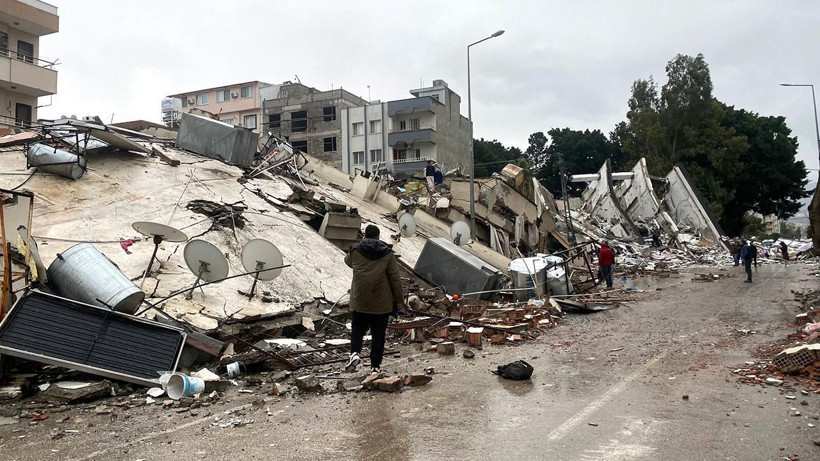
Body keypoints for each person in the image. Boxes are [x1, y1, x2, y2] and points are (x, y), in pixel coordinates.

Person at [344, 225, 403, 377]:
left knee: (357, 328)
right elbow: (395, 279)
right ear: (378, 236)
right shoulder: (387, 254)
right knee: (378, 334)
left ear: (364, 235)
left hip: (360, 300)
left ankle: (355, 353)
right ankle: (375, 367)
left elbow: (347, 262)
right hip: (381, 303)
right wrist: (399, 301)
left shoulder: (355, 250)